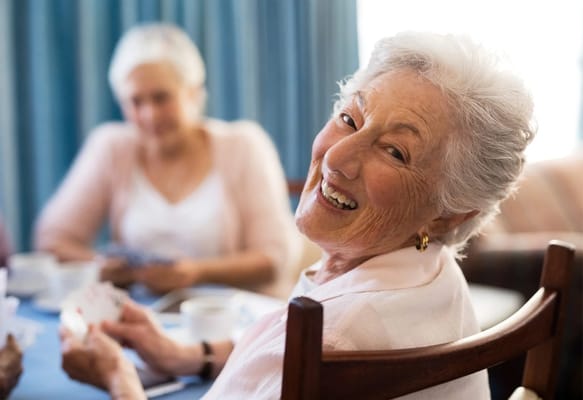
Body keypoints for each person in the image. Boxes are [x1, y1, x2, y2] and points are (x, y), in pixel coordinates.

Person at [60, 31, 535, 399]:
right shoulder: (429, 271)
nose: (336, 158)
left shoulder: (335, 337)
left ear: (448, 215)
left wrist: (118, 376)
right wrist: (187, 355)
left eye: (394, 152)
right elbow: (283, 355)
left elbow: (303, 349)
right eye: (350, 118)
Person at [34, 23, 299, 295]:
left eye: (162, 98)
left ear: (193, 94)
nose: (150, 115)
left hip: (229, 321)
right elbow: (53, 240)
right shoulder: (111, 147)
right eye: (136, 102)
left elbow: (276, 258)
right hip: (142, 317)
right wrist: (97, 265)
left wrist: (197, 272)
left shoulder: (245, 145)